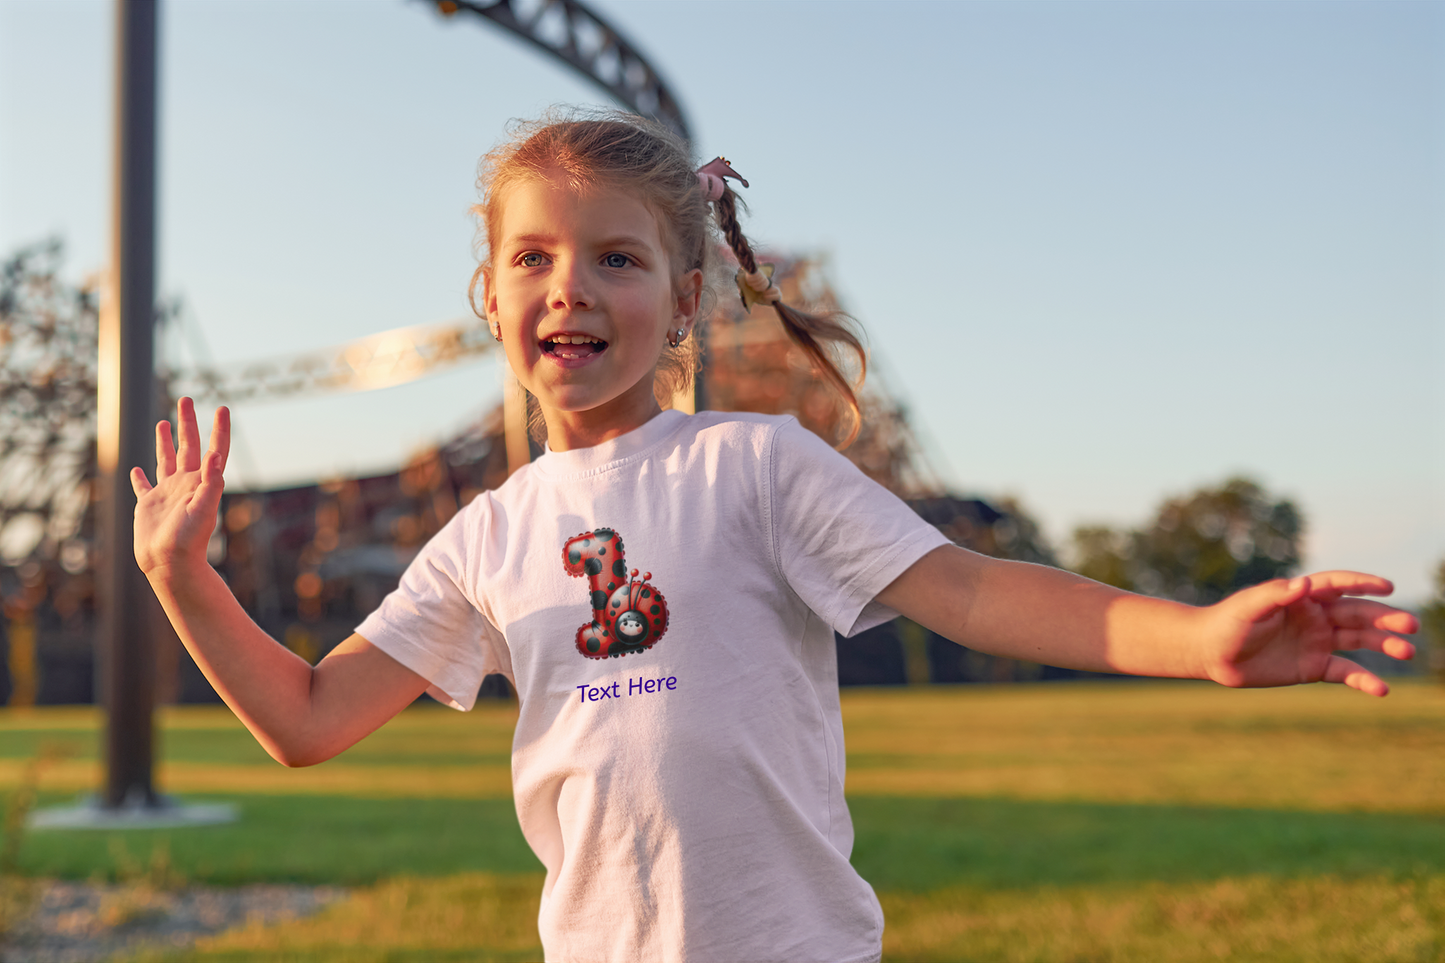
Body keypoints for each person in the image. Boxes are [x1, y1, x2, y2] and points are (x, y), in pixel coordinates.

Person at [130, 110, 1418, 963]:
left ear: (683, 301)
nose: (571, 285)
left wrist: (1197, 639)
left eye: (617, 260)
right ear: (493, 295)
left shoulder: (754, 467)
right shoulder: (484, 535)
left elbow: (973, 592)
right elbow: (303, 721)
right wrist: (181, 577)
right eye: (534, 258)